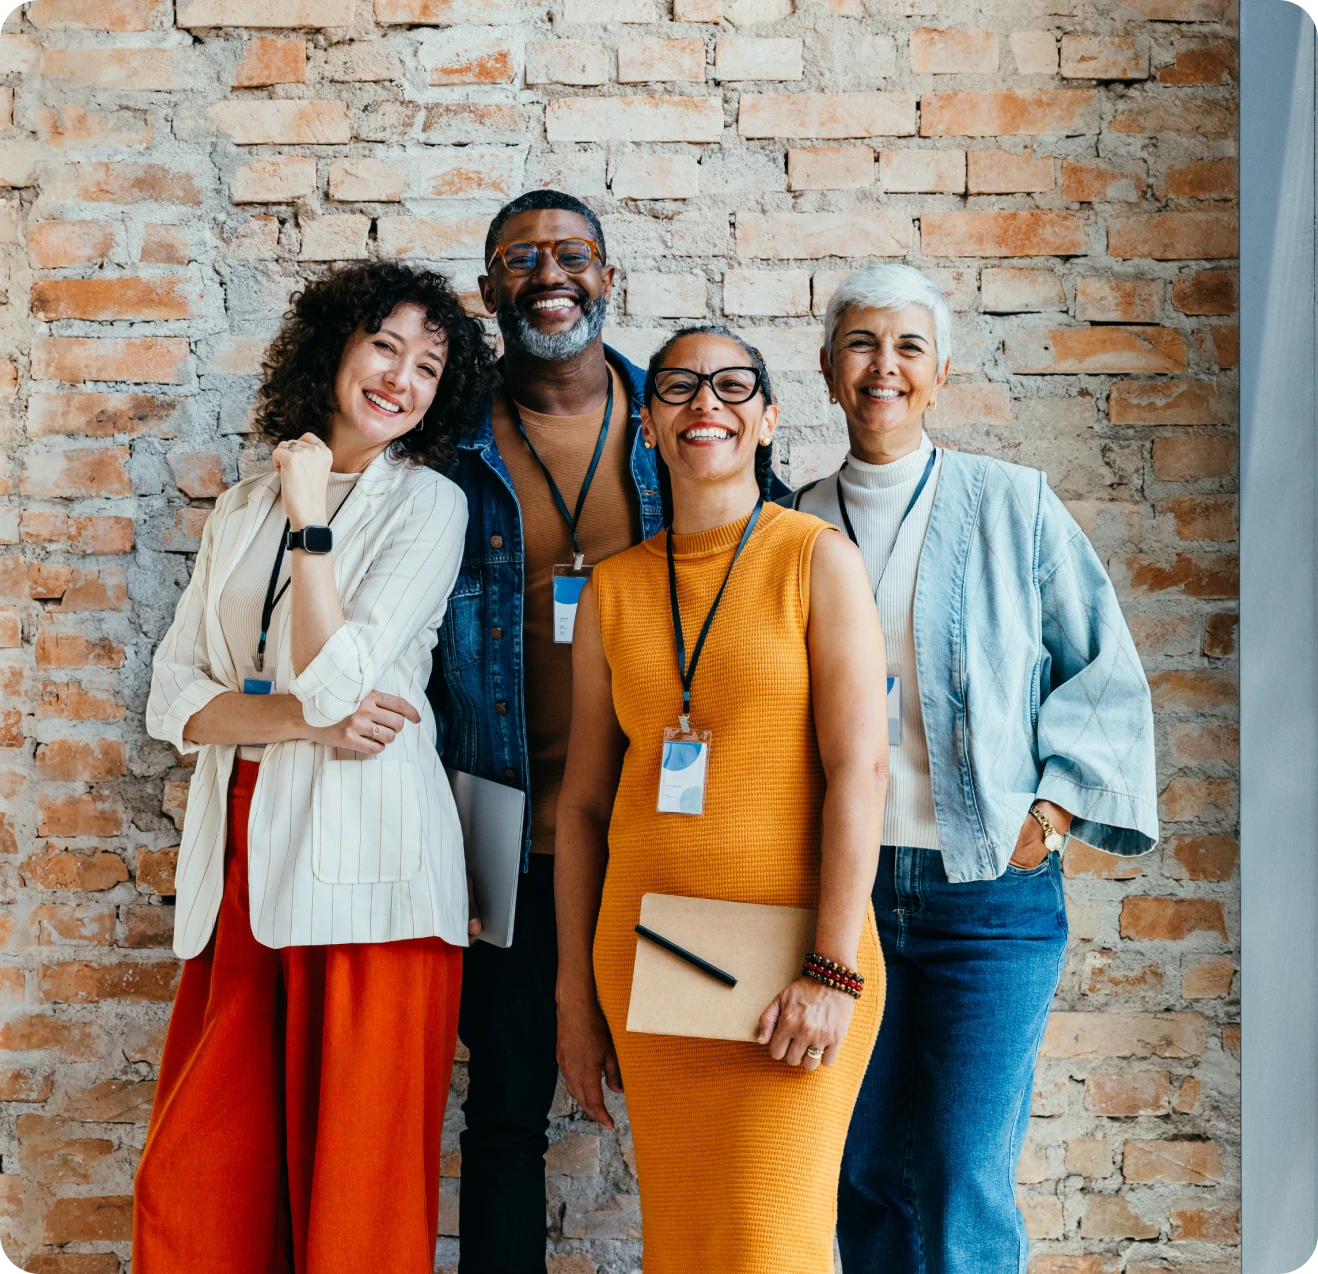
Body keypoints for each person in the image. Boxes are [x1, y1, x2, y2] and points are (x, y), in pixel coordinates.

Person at [787, 263, 1159, 1274]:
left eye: (908, 346)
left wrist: (1052, 806)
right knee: (857, 1170)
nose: (884, 366)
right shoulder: (788, 524)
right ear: (826, 368)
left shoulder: (1013, 504)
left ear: (940, 371)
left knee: (962, 1173)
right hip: (842, 896)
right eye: (861, 343)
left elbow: (1104, 668)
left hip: (986, 895)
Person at [135, 261, 494, 1274]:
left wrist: (311, 517)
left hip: (369, 876)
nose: (401, 378)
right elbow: (175, 699)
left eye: (428, 365)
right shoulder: (242, 505)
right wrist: (297, 719)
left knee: (355, 1199)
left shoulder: (427, 506)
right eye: (385, 345)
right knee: (200, 1186)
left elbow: (346, 687)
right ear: (334, 346)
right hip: (241, 862)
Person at [554, 325, 889, 1274]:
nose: (707, 404)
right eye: (679, 388)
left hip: (798, 971)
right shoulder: (613, 592)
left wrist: (832, 969)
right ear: (649, 425)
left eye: (734, 386)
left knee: (770, 1247)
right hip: (651, 960)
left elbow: (861, 771)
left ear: (771, 419)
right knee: (688, 1248)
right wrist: (575, 997)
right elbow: (581, 806)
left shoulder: (816, 559)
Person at [427, 189, 666, 1274]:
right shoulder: (444, 446)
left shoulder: (681, 423)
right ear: (488, 293)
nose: (550, 271)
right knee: (507, 1111)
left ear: (608, 278)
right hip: (495, 821)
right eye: (520, 258)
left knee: (684, 1101)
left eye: (575, 254)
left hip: (661, 827)